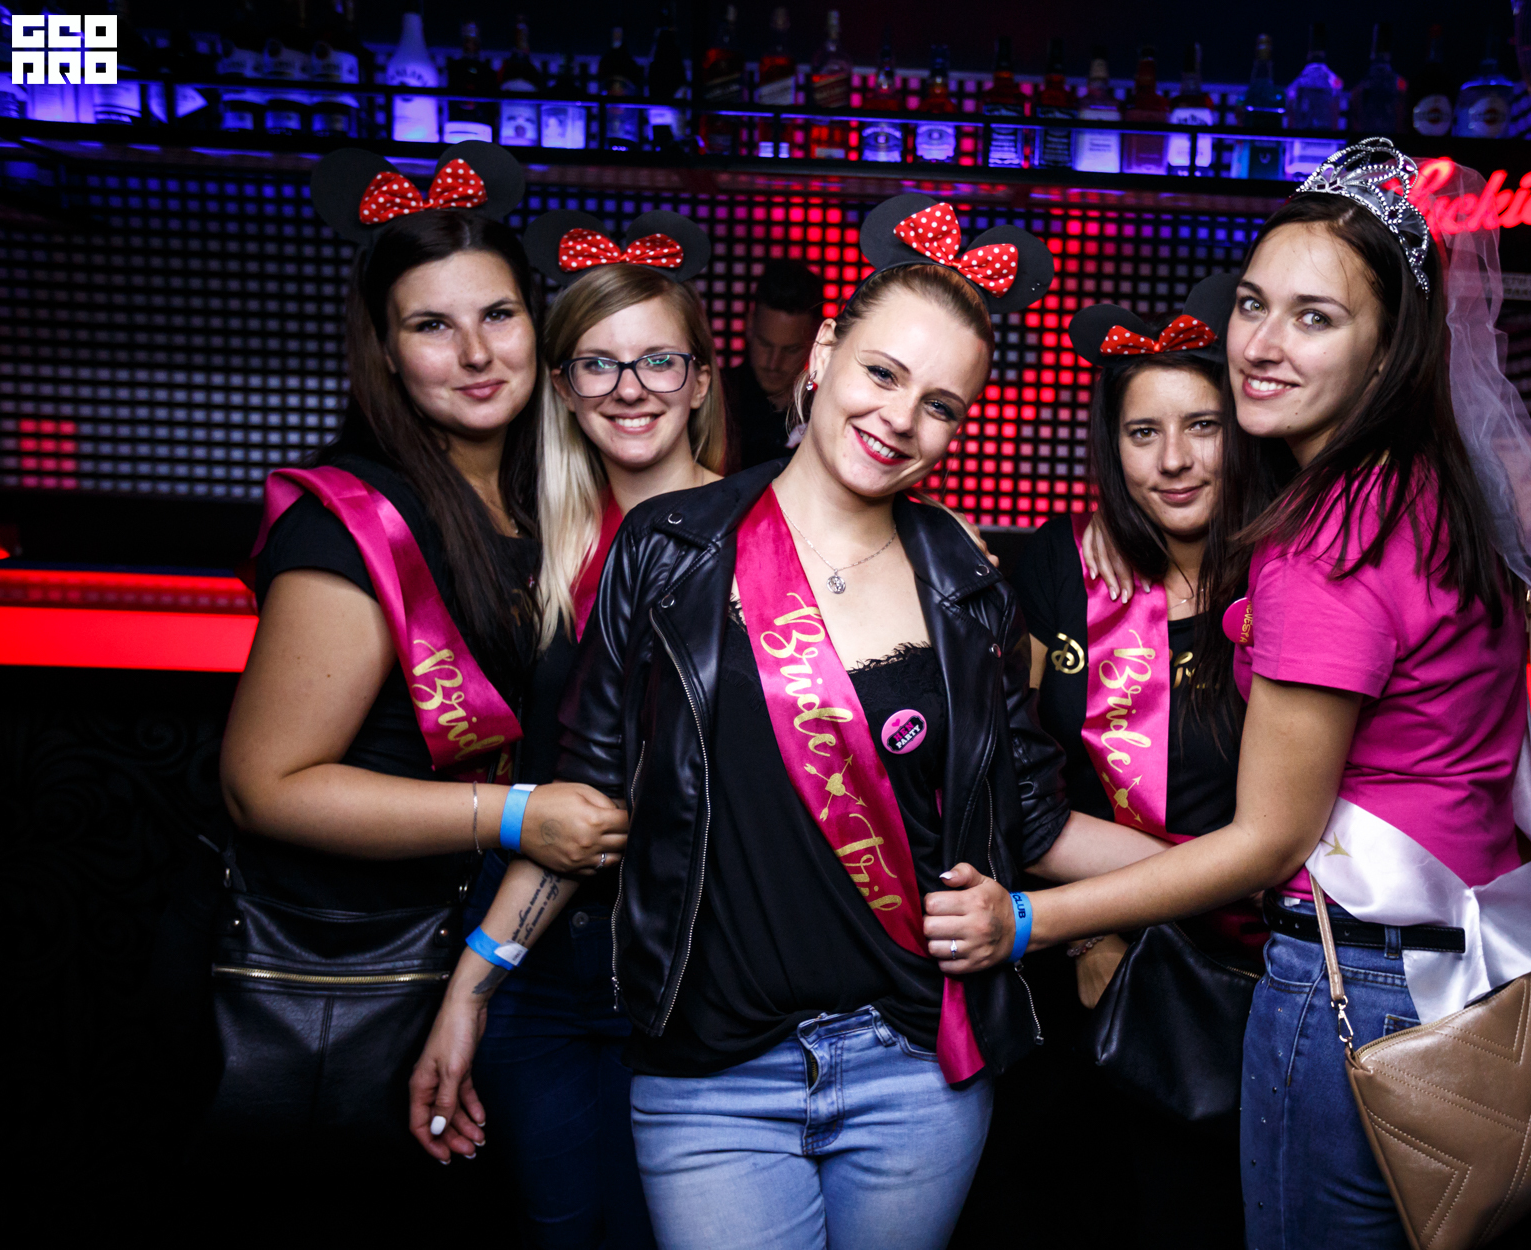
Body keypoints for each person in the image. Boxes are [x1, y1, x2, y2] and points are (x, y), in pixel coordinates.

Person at [409, 194, 1168, 1250]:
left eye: (940, 405)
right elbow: (588, 801)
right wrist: (473, 986)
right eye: (882, 373)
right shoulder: (668, 550)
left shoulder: (968, 590)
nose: (900, 419)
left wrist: (1240, 873)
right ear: (823, 356)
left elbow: (1035, 823)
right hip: (711, 1076)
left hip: (913, 1070)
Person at [946, 140, 1531, 1248]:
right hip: (1471, 966)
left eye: (1315, 317)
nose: (1258, 343)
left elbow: (1269, 840)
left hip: (1355, 985)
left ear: (1388, 346)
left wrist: (1027, 918)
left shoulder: (1325, 545)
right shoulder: (1427, 493)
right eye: (1254, 304)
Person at [211, 144, 626, 1232]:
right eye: (432, 325)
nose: (476, 353)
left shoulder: (544, 502)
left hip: (484, 956)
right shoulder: (348, 522)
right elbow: (263, 785)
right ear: (386, 353)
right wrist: (518, 813)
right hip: (351, 969)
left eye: (499, 314)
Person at [422, 207, 725, 1248]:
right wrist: (473, 987)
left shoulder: (761, 537)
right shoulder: (530, 543)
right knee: (556, 1231)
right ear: (561, 387)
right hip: (539, 963)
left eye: (657, 360)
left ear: (700, 380)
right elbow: (556, 777)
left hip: (685, 969)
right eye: (597, 363)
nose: (628, 387)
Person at [987, 276, 1262, 1249]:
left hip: (1238, 984)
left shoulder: (1286, 574)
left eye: (1202, 426)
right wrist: (1099, 928)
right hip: (1072, 981)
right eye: (1144, 433)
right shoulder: (1058, 567)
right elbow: (1013, 781)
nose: (1174, 459)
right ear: (1112, 448)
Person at [723, 257, 824, 469]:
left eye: (790, 350)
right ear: (749, 325)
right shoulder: (716, 398)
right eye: (765, 344)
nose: (774, 363)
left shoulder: (823, 409)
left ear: (816, 338)